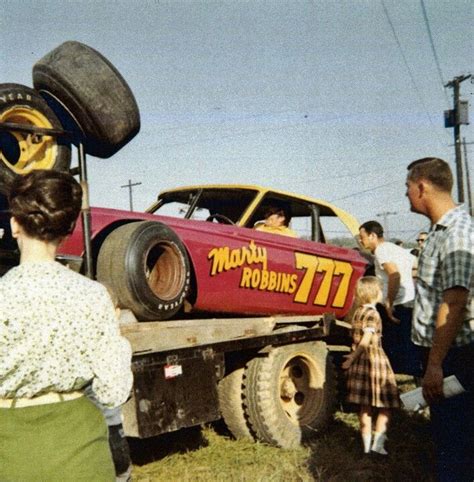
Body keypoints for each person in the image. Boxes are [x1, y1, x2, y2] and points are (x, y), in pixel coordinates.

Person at [0, 170, 133, 482]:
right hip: (82, 453)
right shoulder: (93, 297)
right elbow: (113, 392)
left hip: (10, 453)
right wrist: (116, 339)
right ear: (66, 230)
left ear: (15, 225)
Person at [406, 157, 473, 482]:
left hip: (450, 359)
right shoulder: (437, 231)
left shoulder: (457, 233)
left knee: (456, 445)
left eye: (408, 187)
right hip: (440, 356)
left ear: (422, 186)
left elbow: (455, 301)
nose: (406, 195)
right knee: (446, 439)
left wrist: (435, 364)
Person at [342, 276, 400, 455]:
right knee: (386, 404)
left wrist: (353, 359)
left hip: (361, 365)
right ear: (375, 293)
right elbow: (366, 340)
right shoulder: (373, 314)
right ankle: (378, 444)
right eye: (381, 290)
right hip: (374, 361)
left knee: (365, 406)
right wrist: (352, 357)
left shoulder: (357, 312)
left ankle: (366, 447)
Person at [358, 220, 421, 376]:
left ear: (372, 235)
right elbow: (415, 266)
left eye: (362, 237)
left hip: (397, 304)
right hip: (409, 300)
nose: (361, 241)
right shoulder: (396, 249)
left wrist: (389, 302)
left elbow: (394, 274)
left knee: (392, 348)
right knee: (408, 346)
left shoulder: (381, 251)